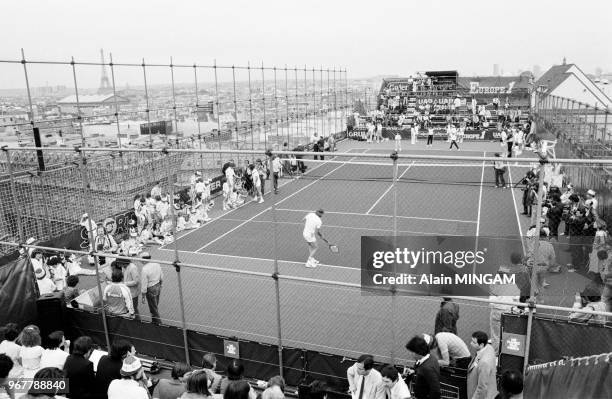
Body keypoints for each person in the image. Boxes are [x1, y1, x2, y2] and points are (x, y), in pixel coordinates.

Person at [467, 331, 497, 399]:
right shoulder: (488, 347)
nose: (471, 343)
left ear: (481, 345)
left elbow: (482, 387)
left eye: (474, 342)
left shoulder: (484, 363)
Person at [140, 252, 163, 325]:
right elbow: (162, 276)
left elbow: (144, 284)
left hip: (150, 288)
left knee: (153, 309)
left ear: (143, 260)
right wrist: (161, 285)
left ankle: (160, 325)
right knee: (155, 305)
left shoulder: (144, 269)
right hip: (158, 285)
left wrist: (143, 296)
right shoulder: (156, 264)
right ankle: (154, 322)